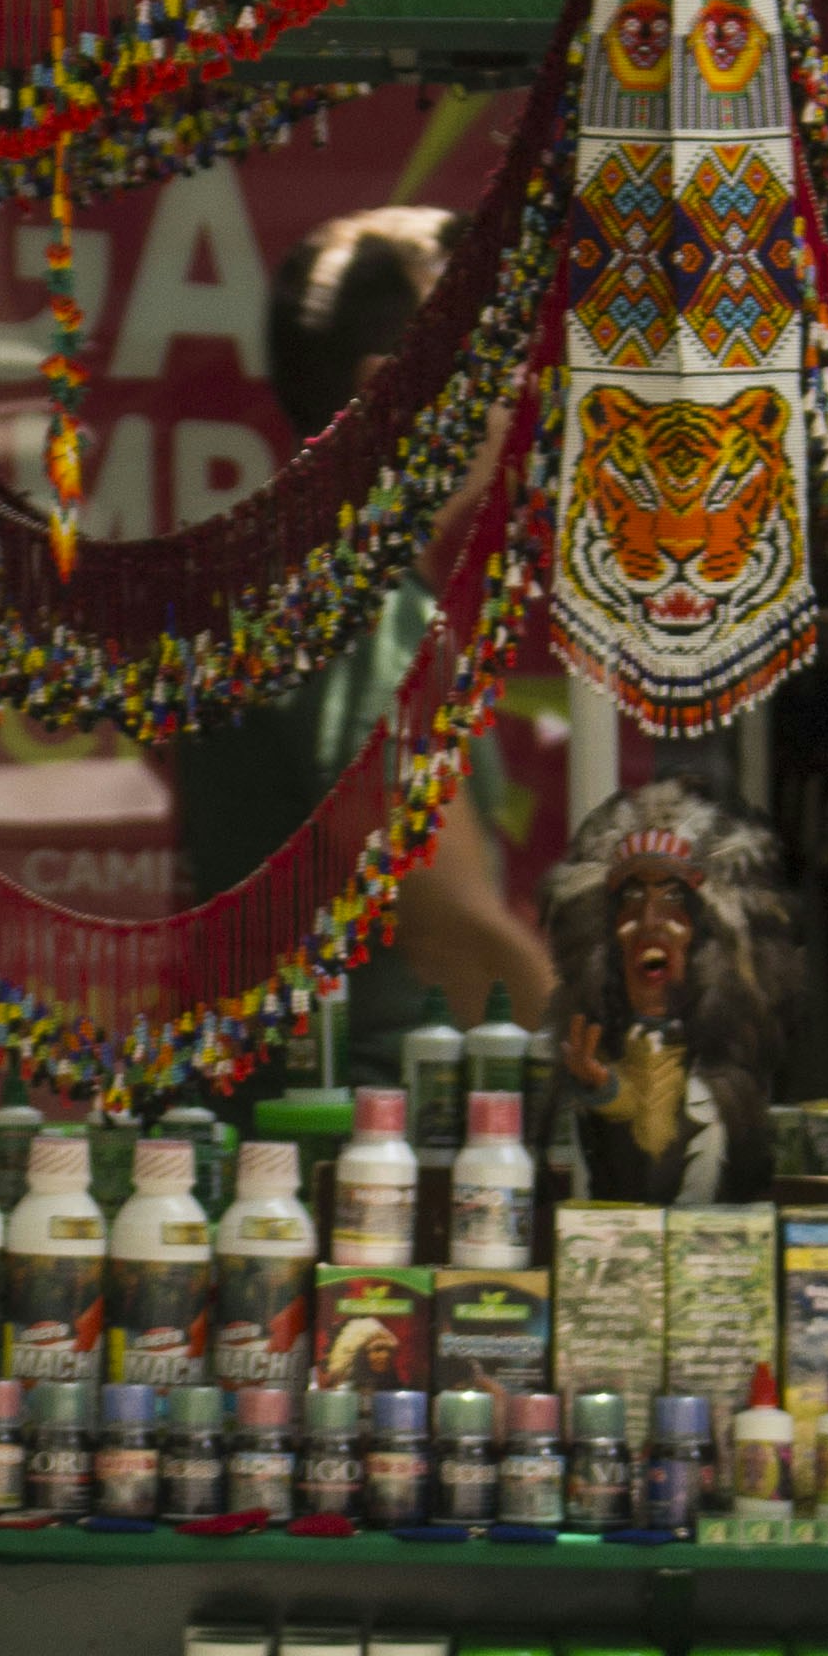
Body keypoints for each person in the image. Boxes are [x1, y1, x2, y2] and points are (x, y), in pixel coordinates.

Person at [169, 206, 553, 1061]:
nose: (518, 399)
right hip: (353, 1143)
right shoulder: (360, 616)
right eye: (494, 367)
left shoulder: (301, 585)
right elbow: (447, 925)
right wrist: (615, 1081)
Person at [538, 788, 798, 1203]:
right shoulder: (589, 1057)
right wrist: (602, 1092)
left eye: (673, 899)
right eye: (633, 899)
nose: (649, 921)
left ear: (704, 933)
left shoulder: (725, 1083)